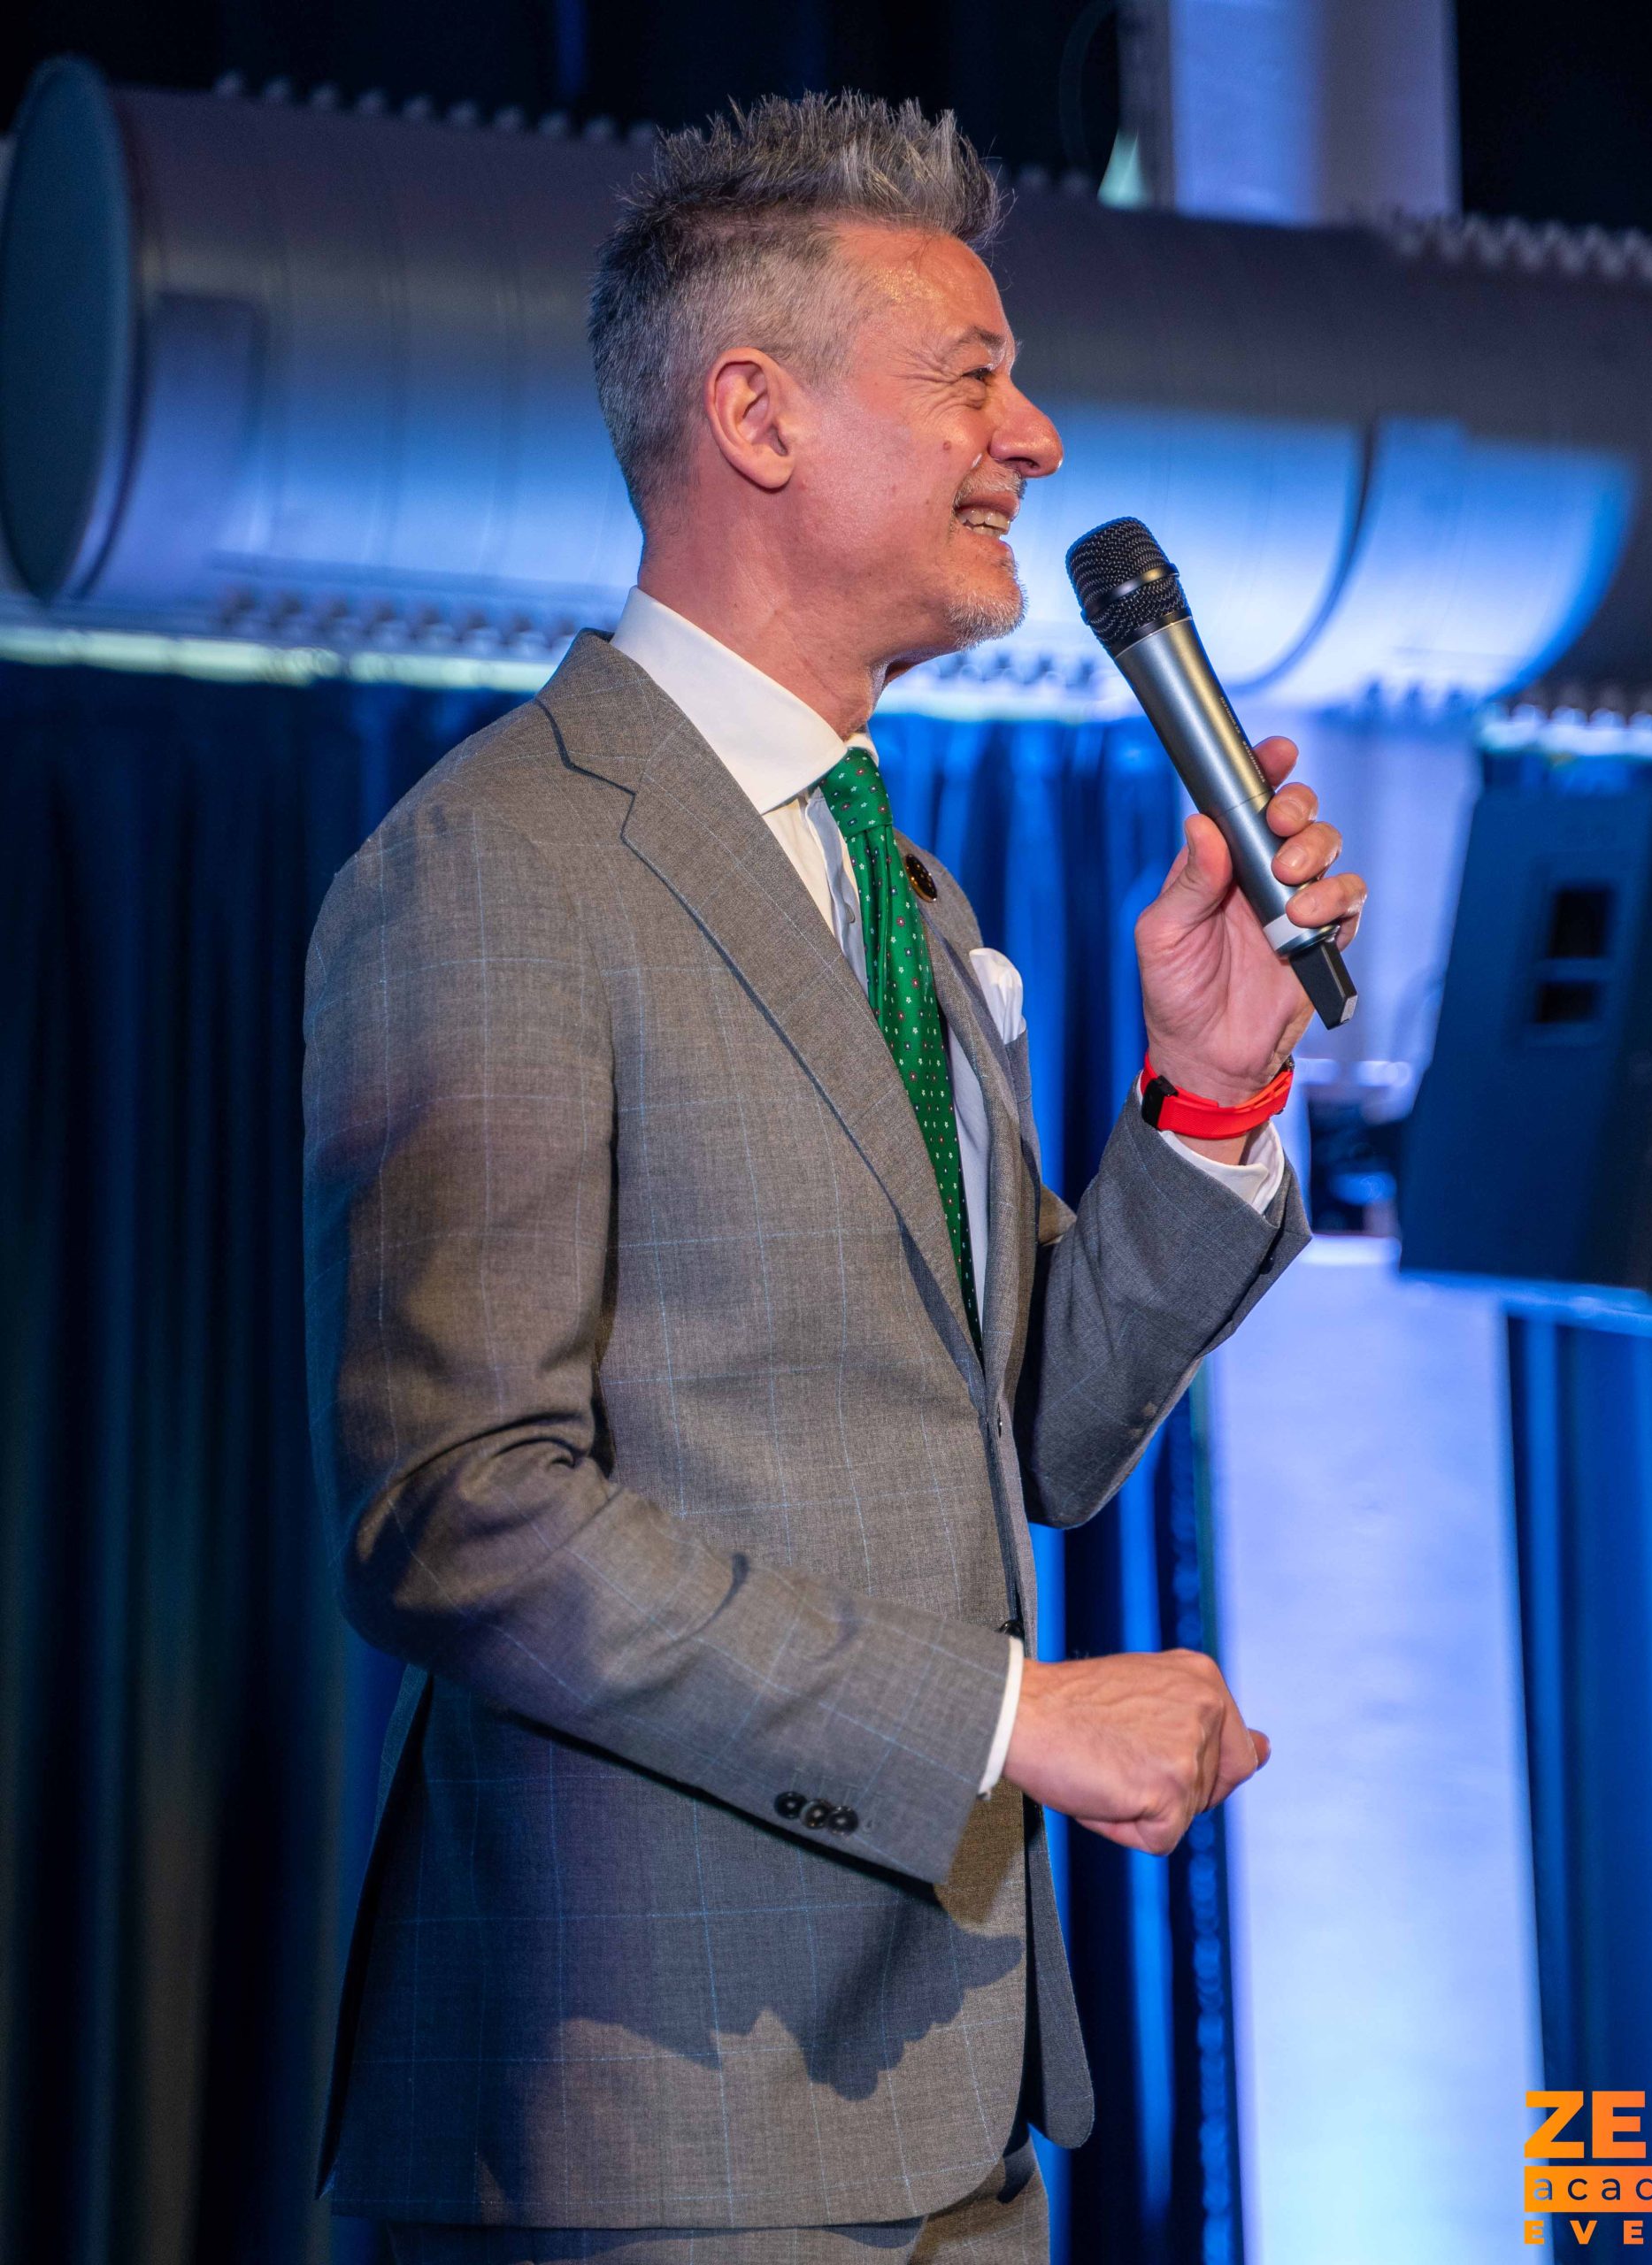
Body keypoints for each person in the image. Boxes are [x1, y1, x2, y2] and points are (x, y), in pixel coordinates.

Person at [303, 91, 1364, 2265]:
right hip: (652, 2130)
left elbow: (1025, 1433)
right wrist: (1007, 1715)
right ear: (755, 414)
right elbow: (460, 1513)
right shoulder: (502, 860)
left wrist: (1206, 1096)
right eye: (972, 377)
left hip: (951, 2106)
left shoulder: (893, 881)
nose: (1032, 438)